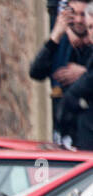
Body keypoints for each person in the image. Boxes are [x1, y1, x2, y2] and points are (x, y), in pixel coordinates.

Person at [31, 0, 93, 146]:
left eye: (82, 15)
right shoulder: (61, 44)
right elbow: (36, 72)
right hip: (63, 127)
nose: (78, 20)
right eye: (73, 14)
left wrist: (84, 74)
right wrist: (55, 37)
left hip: (85, 129)